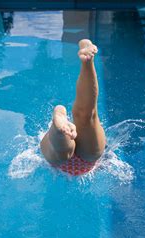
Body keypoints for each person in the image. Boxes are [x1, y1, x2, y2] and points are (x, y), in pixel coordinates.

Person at [40, 39, 106, 175]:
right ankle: (59, 127)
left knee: (87, 115)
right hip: (87, 164)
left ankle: (88, 62)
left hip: (87, 158)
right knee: (85, 117)